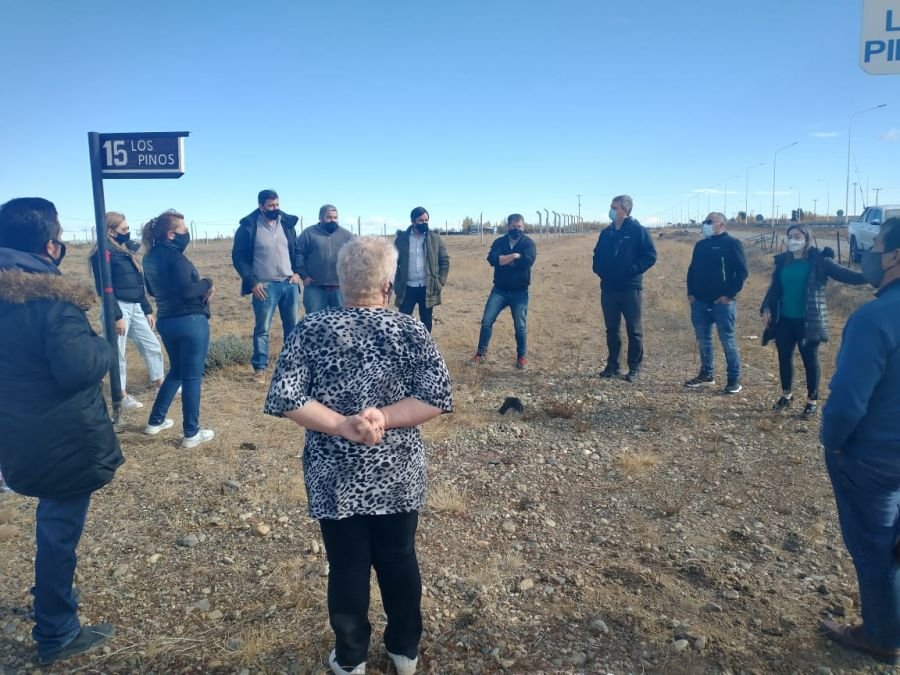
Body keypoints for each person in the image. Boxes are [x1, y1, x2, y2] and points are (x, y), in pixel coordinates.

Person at [264, 236, 452, 675]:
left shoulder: (310, 329)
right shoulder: (409, 329)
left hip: (334, 473)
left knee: (347, 565)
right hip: (398, 472)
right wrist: (383, 417)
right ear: (388, 285)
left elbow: (285, 398)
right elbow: (436, 397)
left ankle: (351, 658)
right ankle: (405, 652)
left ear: (340, 282)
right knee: (398, 557)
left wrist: (341, 425)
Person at [0, 197, 122, 664]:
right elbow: (77, 369)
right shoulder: (51, 302)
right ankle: (56, 630)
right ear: (50, 245)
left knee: (53, 524)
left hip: (15, 428)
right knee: (57, 528)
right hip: (60, 438)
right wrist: (105, 345)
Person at [820, 217, 900, 665]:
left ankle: (881, 636)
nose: (870, 254)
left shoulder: (874, 318)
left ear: (895, 257)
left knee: (874, 547)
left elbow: (849, 402)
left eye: (878, 246)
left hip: (874, 456)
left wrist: (833, 442)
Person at [760, 224, 865, 418]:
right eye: (790, 236)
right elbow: (774, 289)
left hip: (809, 321)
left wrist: (874, 275)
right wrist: (766, 308)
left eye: (797, 236)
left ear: (807, 239)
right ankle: (787, 395)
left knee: (810, 360)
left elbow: (845, 275)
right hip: (784, 321)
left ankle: (812, 400)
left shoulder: (820, 261)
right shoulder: (783, 261)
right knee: (784, 358)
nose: (793, 240)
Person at [141, 210, 215, 448]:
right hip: (191, 322)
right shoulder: (177, 259)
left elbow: (152, 291)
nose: (187, 233)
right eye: (183, 229)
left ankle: (155, 421)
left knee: (177, 372)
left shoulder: (149, 257)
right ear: (171, 234)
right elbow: (188, 291)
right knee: (192, 377)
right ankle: (191, 434)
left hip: (166, 320)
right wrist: (207, 283)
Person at [90, 211, 165, 409]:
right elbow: (104, 288)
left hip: (136, 306)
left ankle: (160, 383)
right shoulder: (102, 253)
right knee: (118, 354)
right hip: (118, 308)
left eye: (128, 228)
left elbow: (137, 283)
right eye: (123, 229)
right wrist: (116, 316)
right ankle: (121, 395)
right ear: (110, 231)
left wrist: (147, 309)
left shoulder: (123, 251)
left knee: (152, 344)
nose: (128, 232)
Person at [232, 189, 302, 378]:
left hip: (289, 284)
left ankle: (290, 365)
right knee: (262, 328)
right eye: (271, 206)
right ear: (261, 206)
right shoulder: (248, 227)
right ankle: (260, 368)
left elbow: (296, 250)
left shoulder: (287, 224)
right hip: (264, 286)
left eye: (277, 205)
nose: (275, 209)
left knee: (292, 327)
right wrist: (252, 282)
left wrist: (297, 273)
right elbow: (239, 258)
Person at [592, 194, 657, 382]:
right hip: (609, 288)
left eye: (615, 207)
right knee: (611, 328)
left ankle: (634, 367)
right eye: (611, 207)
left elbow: (650, 255)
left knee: (633, 329)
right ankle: (613, 365)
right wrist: (599, 269)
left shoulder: (638, 231)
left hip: (630, 288)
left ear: (625, 210)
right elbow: (597, 254)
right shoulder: (606, 232)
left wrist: (633, 269)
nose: (611, 210)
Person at [685, 212, 748, 394]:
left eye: (709, 221)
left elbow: (742, 272)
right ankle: (706, 374)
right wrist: (691, 293)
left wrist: (729, 295)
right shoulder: (701, 245)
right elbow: (692, 270)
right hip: (700, 302)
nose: (705, 224)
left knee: (727, 341)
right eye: (704, 221)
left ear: (722, 224)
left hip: (723, 303)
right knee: (704, 340)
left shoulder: (732, 244)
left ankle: (733, 380)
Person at [471, 214, 537, 369]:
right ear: (508, 226)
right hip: (499, 291)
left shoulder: (528, 243)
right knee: (487, 321)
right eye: (514, 226)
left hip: (519, 292)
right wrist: (514, 256)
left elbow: (527, 262)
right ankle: (481, 354)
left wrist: (504, 260)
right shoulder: (499, 241)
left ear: (524, 227)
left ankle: (521, 357)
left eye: (519, 226)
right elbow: (492, 259)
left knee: (520, 326)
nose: (517, 229)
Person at [393, 206, 450, 333]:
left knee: (427, 321)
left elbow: (444, 261)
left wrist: (440, 282)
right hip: (407, 287)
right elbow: (393, 263)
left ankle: (425, 346)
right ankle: (404, 347)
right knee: (403, 320)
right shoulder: (402, 239)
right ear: (413, 221)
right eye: (421, 221)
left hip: (427, 287)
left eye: (426, 220)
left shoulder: (435, 239)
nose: (424, 223)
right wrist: (396, 283)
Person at [296, 204, 354, 314]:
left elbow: (355, 257)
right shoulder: (309, 233)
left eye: (335, 217)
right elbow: (299, 254)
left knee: (342, 321)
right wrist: (304, 276)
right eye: (329, 217)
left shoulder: (347, 235)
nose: (333, 220)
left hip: (340, 288)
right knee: (314, 321)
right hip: (315, 287)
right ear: (320, 218)